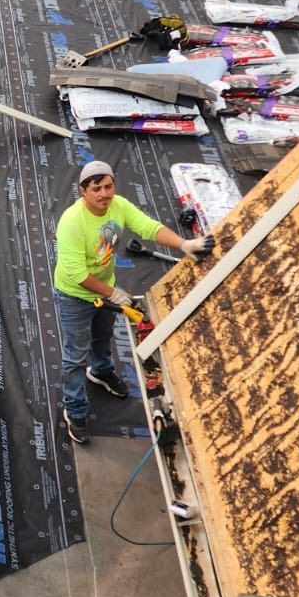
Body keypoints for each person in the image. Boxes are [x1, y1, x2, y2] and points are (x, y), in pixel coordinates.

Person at [54, 160, 214, 445]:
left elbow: (149, 228)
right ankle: (75, 411)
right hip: (75, 297)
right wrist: (111, 293)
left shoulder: (119, 206)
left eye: (108, 186)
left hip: (104, 289)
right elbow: (76, 274)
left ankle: (101, 372)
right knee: (75, 357)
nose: (104, 194)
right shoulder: (71, 222)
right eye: (97, 189)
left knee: (102, 338)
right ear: (83, 191)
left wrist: (183, 245)